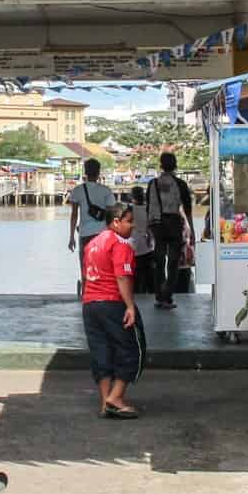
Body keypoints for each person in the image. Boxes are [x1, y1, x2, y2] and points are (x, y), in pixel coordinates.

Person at [81, 203, 143, 418]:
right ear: (116, 222)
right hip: (112, 302)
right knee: (131, 350)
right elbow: (122, 276)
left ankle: (105, 403)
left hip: (90, 304)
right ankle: (115, 397)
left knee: (101, 353)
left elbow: (86, 275)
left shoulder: (92, 244)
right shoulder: (120, 244)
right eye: (129, 221)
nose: (133, 225)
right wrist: (130, 306)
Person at [145, 152, 194, 310]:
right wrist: (191, 230)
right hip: (173, 223)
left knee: (159, 261)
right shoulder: (180, 184)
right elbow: (188, 209)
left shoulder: (152, 184)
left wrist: (148, 229)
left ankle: (159, 296)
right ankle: (167, 295)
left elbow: (149, 208)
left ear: (160, 165)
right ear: (175, 165)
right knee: (173, 262)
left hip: (157, 225)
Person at [66, 159, 116, 298]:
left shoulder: (77, 191)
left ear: (85, 172)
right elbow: (112, 215)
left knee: (85, 264)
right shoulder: (106, 191)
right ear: (99, 172)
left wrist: (71, 237)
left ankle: (87, 293)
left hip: (85, 234)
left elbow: (74, 215)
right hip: (103, 236)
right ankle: (104, 293)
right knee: (104, 265)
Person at [127, 185, 155, 287]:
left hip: (133, 245)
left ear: (132, 196)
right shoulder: (148, 209)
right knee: (148, 273)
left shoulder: (129, 209)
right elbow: (151, 227)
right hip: (147, 244)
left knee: (135, 274)